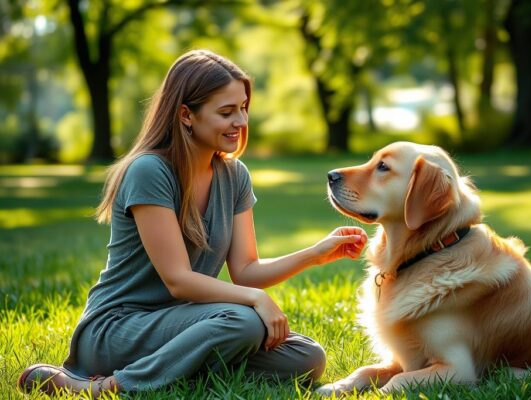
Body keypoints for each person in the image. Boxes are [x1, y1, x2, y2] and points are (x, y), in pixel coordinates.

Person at [17, 49, 367, 397]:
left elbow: (245, 269)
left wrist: (317, 254)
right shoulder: (149, 171)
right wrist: (256, 300)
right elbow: (179, 281)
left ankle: (176, 370)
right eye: (226, 112)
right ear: (186, 114)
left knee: (305, 356)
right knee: (243, 322)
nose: (241, 122)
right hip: (117, 328)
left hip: (190, 325)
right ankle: (102, 386)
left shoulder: (234, 176)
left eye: (243, 108)